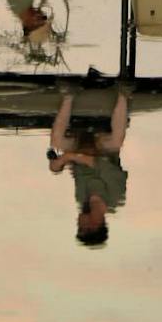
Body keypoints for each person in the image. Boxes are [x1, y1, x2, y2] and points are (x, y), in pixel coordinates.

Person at [48, 87, 129, 247]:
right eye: (81, 226)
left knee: (56, 142)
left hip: (79, 148)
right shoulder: (115, 197)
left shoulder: (81, 199)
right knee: (116, 141)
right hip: (103, 148)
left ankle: (69, 95)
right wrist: (69, 157)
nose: (78, 222)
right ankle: (123, 94)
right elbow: (101, 164)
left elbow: (77, 170)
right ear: (93, 225)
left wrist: (58, 166)